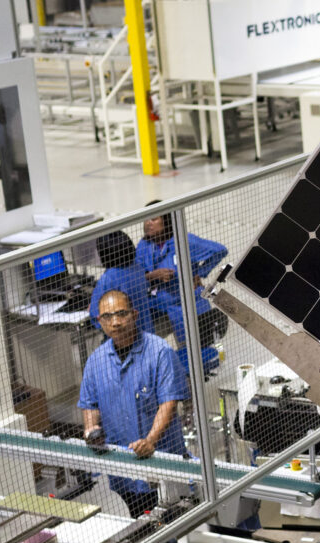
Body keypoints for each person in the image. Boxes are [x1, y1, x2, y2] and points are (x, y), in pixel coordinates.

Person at [78, 290, 190, 515]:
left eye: (121, 314)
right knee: (138, 524)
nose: (115, 322)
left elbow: (168, 403)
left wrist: (150, 441)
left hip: (161, 464)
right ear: (99, 321)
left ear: (135, 314)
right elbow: (89, 404)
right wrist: (91, 430)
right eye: (107, 317)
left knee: (175, 524)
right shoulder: (96, 362)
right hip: (123, 469)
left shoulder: (160, 353)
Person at [136, 206, 229, 375]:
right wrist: (152, 275)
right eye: (146, 219)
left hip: (186, 304)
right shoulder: (144, 246)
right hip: (159, 306)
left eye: (154, 219)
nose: (148, 223)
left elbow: (220, 250)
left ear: (166, 221)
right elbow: (135, 275)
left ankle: (193, 387)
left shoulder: (184, 241)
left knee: (194, 355)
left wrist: (199, 273)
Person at [88, 230, 152, 330]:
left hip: (123, 337)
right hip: (147, 332)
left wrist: (93, 308)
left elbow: (96, 316)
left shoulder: (108, 279)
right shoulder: (138, 268)